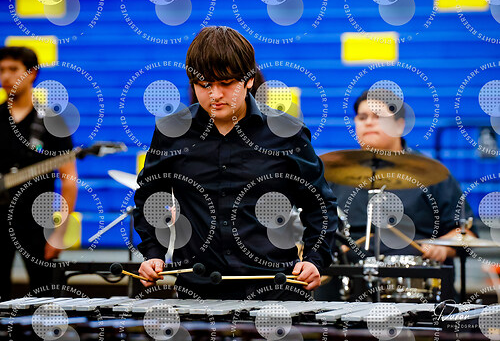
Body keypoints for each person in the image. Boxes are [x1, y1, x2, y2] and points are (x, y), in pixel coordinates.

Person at [134, 26, 338, 300]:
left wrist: (314, 259)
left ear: (249, 80)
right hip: (198, 292)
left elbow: (320, 204)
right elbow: (149, 197)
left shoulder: (286, 133)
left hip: (275, 292)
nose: (215, 94)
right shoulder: (172, 132)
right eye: (204, 84)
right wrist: (153, 253)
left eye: (226, 83)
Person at [315, 89, 477, 300]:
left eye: (378, 117)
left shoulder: (433, 175)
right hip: (349, 286)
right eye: (362, 117)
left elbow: (466, 234)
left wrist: (443, 248)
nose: (369, 123)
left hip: (414, 288)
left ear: (400, 125)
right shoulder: (333, 175)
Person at [0, 47, 77, 301]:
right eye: (2, 70)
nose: (6, 76)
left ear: (32, 73)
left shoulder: (51, 121)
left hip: (38, 222)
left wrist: (59, 234)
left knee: (44, 296)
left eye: (14, 69)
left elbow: (69, 180)